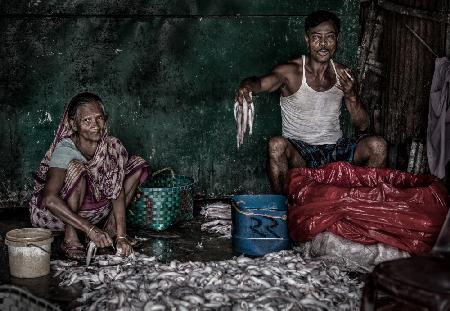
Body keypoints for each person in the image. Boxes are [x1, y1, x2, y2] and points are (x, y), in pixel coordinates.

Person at [235, 10, 387, 194]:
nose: (323, 44)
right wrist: (246, 86)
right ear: (307, 39)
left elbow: (363, 126)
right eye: (316, 37)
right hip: (301, 152)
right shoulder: (291, 72)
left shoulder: (343, 74)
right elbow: (260, 83)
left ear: (337, 39)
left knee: (378, 146)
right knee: (276, 145)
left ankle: (360, 206)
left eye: (329, 37)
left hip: (335, 151)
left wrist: (352, 96)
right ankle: (284, 209)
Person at [29, 92, 150, 260]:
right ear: (74, 124)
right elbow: (49, 199)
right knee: (76, 169)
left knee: (136, 164)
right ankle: (70, 240)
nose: (96, 125)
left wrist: (122, 236)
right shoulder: (65, 149)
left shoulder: (110, 146)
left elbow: (116, 190)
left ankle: (110, 232)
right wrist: (90, 229)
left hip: (95, 211)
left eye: (99, 118)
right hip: (58, 217)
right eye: (87, 120)